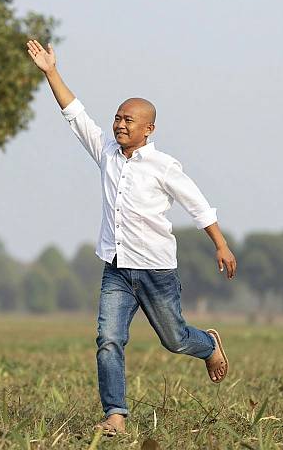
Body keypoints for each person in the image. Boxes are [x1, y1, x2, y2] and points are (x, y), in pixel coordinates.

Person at [26, 40, 237, 435]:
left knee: (174, 340)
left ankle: (207, 345)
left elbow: (197, 204)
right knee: (108, 338)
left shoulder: (163, 166)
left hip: (156, 270)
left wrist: (220, 243)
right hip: (117, 269)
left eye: (128, 120)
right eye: (117, 118)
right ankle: (115, 416)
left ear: (148, 128)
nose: (119, 125)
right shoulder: (105, 152)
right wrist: (51, 72)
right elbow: (75, 114)